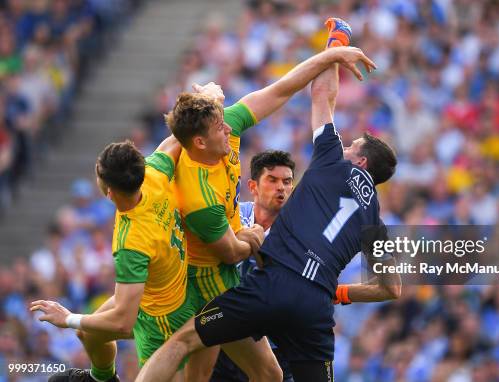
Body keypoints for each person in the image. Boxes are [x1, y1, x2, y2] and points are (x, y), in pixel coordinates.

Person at [135, 18, 400, 382]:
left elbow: (322, 94)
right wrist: (341, 293)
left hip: (271, 285)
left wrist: (337, 42)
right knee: (271, 376)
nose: (346, 144)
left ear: (362, 160)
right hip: (316, 306)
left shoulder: (331, 161)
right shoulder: (376, 224)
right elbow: (391, 288)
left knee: (183, 342)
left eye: (352, 145)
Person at [30, 138, 193, 382]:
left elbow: (123, 323)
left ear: (108, 190)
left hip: (164, 312)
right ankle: (104, 379)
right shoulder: (153, 174)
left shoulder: (130, 243)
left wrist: (68, 319)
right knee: (89, 333)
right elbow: (179, 136)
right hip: (164, 282)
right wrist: (210, 101)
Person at [212, 150, 296, 381]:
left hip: (275, 348)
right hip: (225, 341)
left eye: (287, 182)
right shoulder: (234, 215)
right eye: (273, 180)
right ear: (253, 186)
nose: (281, 187)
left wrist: (255, 246)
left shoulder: (299, 233)